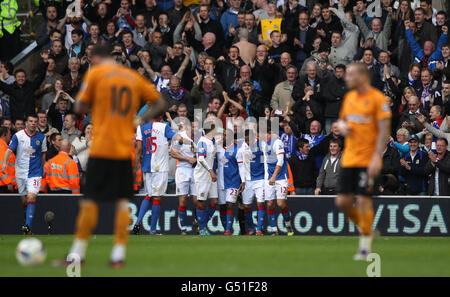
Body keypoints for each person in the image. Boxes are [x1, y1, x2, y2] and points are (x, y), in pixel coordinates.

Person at [62, 45, 166, 268]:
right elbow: (160, 102)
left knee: (90, 202)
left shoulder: (96, 73)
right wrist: (138, 119)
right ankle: (118, 255)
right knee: (121, 204)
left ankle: (77, 255)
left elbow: (79, 106)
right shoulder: (132, 77)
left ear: (98, 58)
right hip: (122, 152)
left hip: (100, 149)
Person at [336, 62, 391, 260]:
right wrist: (341, 126)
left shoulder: (377, 98)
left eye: (350, 74)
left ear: (361, 77)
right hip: (349, 158)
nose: (346, 78)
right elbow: (342, 120)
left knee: (363, 202)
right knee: (342, 202)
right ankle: (367, 229)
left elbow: (385, 130)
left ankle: (365, 247)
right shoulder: (349, 97)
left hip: (368, 159)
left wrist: (377, 157)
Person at [133, 115, 184, 235]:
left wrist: (135, 167)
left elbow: (139, 149)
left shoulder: (141, 128)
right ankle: (153, 230)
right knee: (157, 197)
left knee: (149, 195)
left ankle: (138, 223)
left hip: (147, 167)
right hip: (160, 167)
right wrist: (180, 138)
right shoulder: (164, 127)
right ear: (161, 117)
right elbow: (178, 139)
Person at [2, 114, 47, 235]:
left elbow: (43, 154)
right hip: (20, 172)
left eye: (35, 121)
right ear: (27, 123)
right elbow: (9, 150)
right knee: (24, 201)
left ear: (37, 123)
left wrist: (42, 168)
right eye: (31, 121)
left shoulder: (41, 138)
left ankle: (28, 227)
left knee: (31, 197)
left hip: (35, 172)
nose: (33, 123)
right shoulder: (18, 135)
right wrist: (5, 163)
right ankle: (27, 221)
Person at [262, 120, 294, 236]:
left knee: (281, 204)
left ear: (269, 133)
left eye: (262, 133)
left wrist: (274, 176)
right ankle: (274, 230)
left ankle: (288, 224)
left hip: (280, 178)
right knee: (270, 203)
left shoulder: (278, 143)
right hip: (268, 179)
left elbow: (280, 161)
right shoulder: (264, 144)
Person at [171, 122, 197, 235]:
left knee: (197, 200)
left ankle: (198, 224)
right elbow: (173, 153)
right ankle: (183, 229)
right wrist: (187, 158)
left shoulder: (201, 137)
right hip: (182, 170)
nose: (195, 129)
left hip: (196, 171)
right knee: (183, 200)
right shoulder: (180, 137)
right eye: (193, 126)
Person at [239, 128, 266, 236]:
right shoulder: (243, 148)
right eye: (245, 140)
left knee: (260, 203)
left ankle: (259, 229)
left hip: (260, 179)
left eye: (248, 139)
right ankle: (251, 228)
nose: (247, 142)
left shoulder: (262, 144)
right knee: (246, 206)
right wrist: (243, 181)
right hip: (248, 180)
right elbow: (241, 166)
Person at [0, 126, 15, 193]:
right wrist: (8, 182)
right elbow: (1, 166)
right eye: (9, 134)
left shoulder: (5, 147)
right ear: (4, 135)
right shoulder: (1, 148)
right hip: (4, 185)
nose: (10, 135)